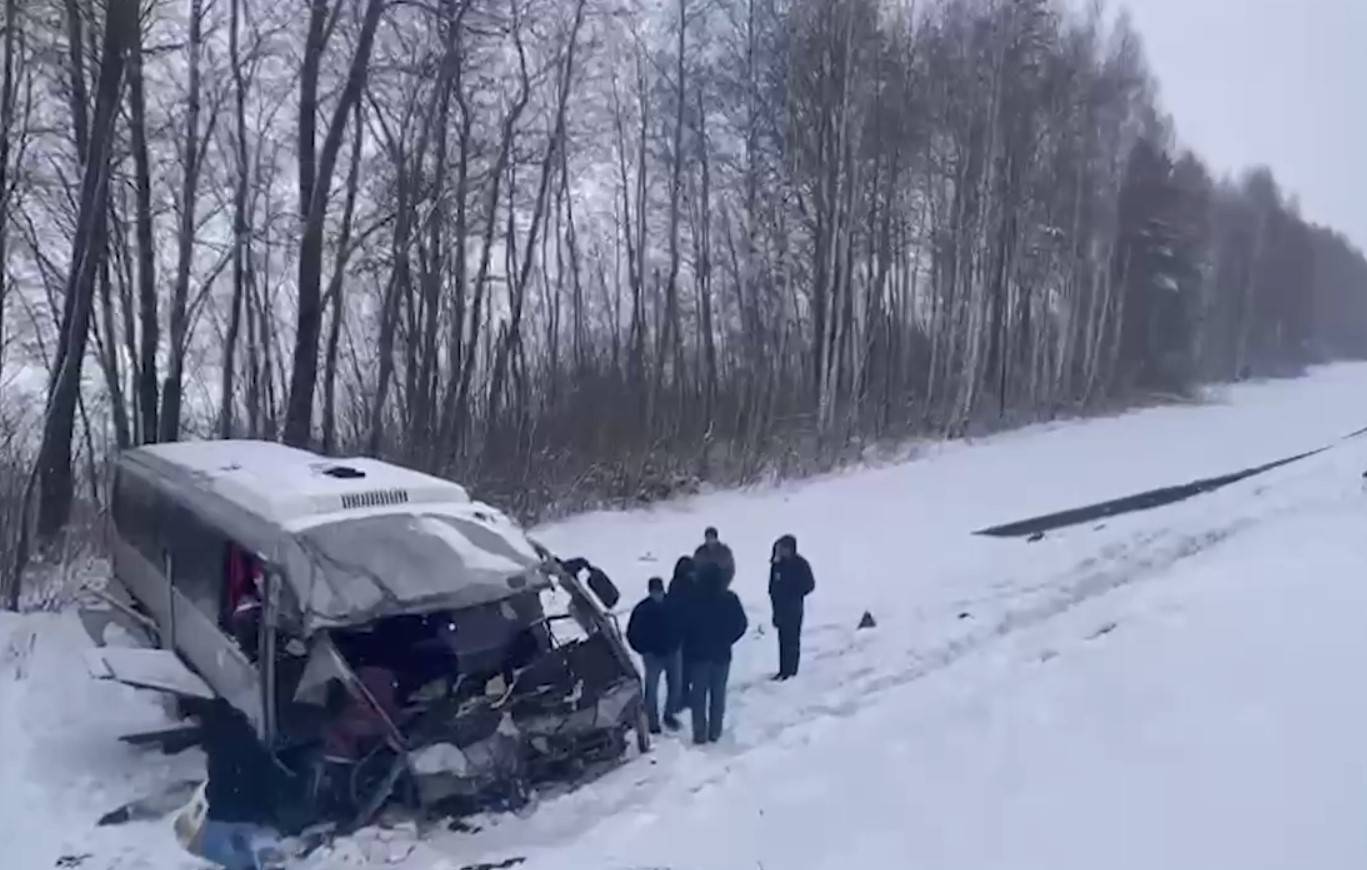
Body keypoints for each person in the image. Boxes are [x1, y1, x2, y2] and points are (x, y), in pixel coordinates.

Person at [194, 699, 286, 870]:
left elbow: (221, 780)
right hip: (253, 809)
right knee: (236, 849)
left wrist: (212, 796)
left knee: (215, 848)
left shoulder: (220, 746)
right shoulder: (248, 738)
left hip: (230, 811)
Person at [680, 562, 748, 745]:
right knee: (718, 696)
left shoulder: (693, 599)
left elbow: (685, 627)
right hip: (722, 654)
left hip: (699, 656)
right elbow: (741, 624)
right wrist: (728, 638)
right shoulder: (730, 598)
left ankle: (700, 733)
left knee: (698, 697)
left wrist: (689, 647)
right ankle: (715, 732)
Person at [627, 577, 683, 733]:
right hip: (652, 656)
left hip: (673, 652)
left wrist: (679, 641)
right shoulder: (642, 610)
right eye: (654, 592)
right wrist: (643, 649)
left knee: (676, 686)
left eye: (659, 591)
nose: (656, 595)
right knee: (651, 689)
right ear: (650, 591)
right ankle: (652, 722)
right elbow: (632, 633)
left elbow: (683, 623)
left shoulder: (673, 605)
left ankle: (669, 714)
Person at [769, 534, 815, 680]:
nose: (781, 551)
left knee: (792, 638)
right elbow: (772, 586)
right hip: (779, 606)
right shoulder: (777, 565)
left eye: (783, 548)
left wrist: (794, 592)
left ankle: (792, 670)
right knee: (782, 638)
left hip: (794, 606)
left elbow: (810, 585)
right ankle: (783, 669)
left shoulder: (800, 564)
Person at [666, 556, 698, 707]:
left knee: (687, 666)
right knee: (684, 667)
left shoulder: (678, 584)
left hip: (686, 630)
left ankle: (684, 695)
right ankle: (682, 697)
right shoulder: (682, 586)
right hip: (684, 631)